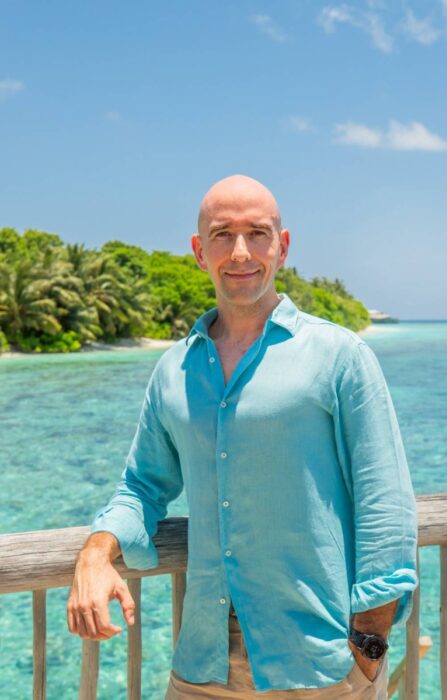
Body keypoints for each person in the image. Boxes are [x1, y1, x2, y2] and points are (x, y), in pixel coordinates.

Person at [67, 175, 418, 698]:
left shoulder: (340, 356)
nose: (240, 252)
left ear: (282, 246)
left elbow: (385, 506)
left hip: (320, 666)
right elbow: (142, 486)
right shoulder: (173, 370)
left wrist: (367, 648)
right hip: (201, 664)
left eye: (257, 233)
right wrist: (96, 552)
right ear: (198, 251)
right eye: (222, 234)